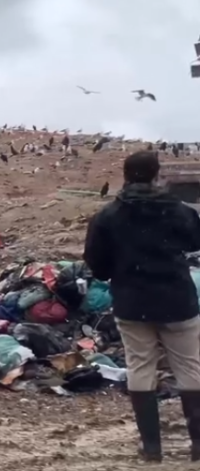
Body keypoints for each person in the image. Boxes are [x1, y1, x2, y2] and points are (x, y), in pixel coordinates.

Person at [84, 151, 200, 462]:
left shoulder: (108, 216)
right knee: (190, 366)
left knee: (140, 366)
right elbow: (195, 241)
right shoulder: (178, 211)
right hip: (178, 301)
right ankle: (198, 444)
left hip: (132, 304)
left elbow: (97, 264)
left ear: (125, 175)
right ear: (156, 174)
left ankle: (151, 448)